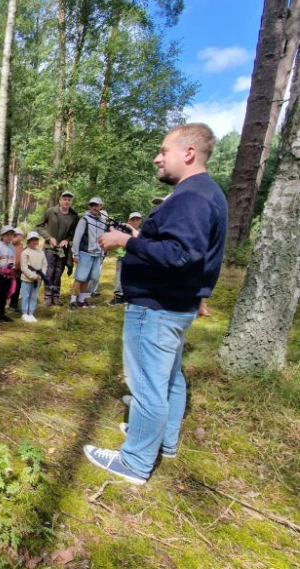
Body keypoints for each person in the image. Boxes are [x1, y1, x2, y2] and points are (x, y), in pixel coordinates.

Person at [83, 123, 227, 485]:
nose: (156, 158)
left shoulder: (191, 196)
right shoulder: (208, 194)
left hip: (156, 307)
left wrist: (126, 242)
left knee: (147, 382)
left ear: (189, 153)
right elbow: (201, 255)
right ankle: (164, 441)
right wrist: (201, 294)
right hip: (176, 304)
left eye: (164, 151)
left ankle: (134, 461)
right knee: (169, 378)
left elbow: (182, 254)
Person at [69, 197, 107, 308]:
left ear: (101, 206)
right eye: (92, 205)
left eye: (97, 205)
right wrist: (75, 254)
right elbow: (77, 238)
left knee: (89, 278)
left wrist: (102, 254)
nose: (94, 207)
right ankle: (72, 302)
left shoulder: (103, 221)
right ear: (89, 206)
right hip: (85, 253)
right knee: (80, 278)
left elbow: (103, 239)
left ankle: (82, 301)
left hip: (97, 254)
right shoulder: (84, 220)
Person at [109, 212, 143, 305]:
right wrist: (113, 226)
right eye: (133, 220)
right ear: (129, 221)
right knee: (120, 277)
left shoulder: (140, 232)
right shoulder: (123, 230)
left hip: (135, 258)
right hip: (123, 257)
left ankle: (129, 295)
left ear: (140, 221)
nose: (135, 222)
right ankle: (118, 296)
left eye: (137, 220)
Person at [0, 226, 17, 324]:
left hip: (9, 275)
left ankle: (2, 313)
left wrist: (12, 269)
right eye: (7, 234)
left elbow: (13, 260)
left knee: (4, 295)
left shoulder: (13, 248)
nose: (9, 236)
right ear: (2, 235)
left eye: (11, 234)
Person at [19, 231, 47, 322]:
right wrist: (34, 276)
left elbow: (44, 265)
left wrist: (42, 274)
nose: (34, 242)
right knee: (26, 295)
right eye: (32, 240)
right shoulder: (25, 252)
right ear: (28, 241)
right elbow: (24, 267)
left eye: (35, 240)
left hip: (38, 278)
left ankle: (31, 312)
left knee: (34, 296)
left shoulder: (41, 253)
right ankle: (24, 313)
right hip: (27, 278)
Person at [8, 228, 24, 313]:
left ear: (21, 237)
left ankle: (13, 304)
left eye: (15, 235)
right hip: (7, 273)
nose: (13, 237)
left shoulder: (23, 249)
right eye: (12, 235)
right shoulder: (8, 246)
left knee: (16, 289)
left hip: (18, 274)